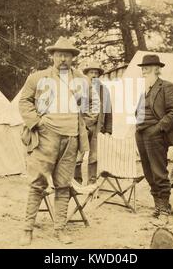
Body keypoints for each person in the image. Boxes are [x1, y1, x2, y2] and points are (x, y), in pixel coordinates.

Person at [18, 37, 93, 246]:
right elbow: (24, 102)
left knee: (63, 186)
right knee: (37, 184)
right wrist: (38, 123)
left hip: (71, 139)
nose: (63, 59)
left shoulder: (82, 80)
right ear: (52, 56)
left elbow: (91, 104)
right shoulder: (37, 78)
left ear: (72, 58)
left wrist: (84, 123)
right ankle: (27, 229)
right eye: (59, 54)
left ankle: (60, 229)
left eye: (67, 55)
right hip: (45, 137)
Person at [135, 53, 173, 218]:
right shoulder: (143, 90)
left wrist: (158, 128)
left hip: (156, 134)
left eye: (146, 69)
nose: (143, 72)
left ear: (156, 69)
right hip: (141, 134)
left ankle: (164, 207)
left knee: (158, 171)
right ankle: (158, 205)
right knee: (148, 172)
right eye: (142, 69)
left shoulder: (167, 87)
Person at [74, 61, 113, 185]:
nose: (94, 75)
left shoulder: (104, 90)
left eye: (96, 73)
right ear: (86, 74)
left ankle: (92, 183)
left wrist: (108, 129)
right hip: (82, 126)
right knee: (78, 154)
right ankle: (76, 182)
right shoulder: (80, 88)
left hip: (98, 127)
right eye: (91, 72)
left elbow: (108, 110)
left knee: (94, 156)